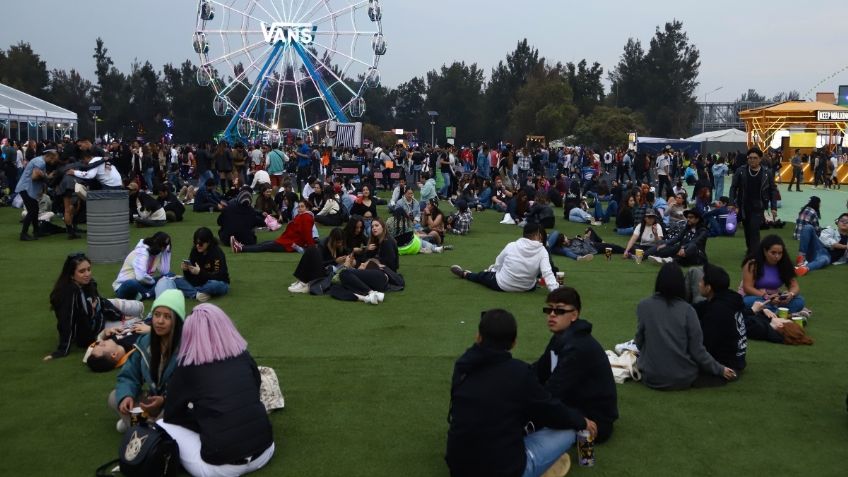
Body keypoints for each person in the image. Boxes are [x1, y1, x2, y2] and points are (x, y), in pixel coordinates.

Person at [446, 309, 592, 477]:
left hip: (459, 468)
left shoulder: (463, 366)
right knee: (569, 430)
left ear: (478, 336)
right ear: (514, 343)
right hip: (506, 469)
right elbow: (551, 410)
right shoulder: (519, 372)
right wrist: (581, 421)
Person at [158, 304, 274, 477]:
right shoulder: (243, 355)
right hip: (265, 451)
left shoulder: (188, 367)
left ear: (189, 333)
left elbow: (172, 415)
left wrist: (203, 419)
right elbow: (254, 390)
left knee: (161, 424)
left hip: (221, 468)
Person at [531, 287, 618, 443]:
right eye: (548, 309)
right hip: (574, 406)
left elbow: (553, 391)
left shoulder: (578, 348)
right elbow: (539, 371)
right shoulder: (561, 338)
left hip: (594, 421)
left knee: (528, 417)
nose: (551, 314)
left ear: (574, 315)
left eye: (559, 311)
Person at [635, 262, 737, 390]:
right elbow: (697, 350)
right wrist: (720, 369)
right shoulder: (688, 310)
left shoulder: (644, 306)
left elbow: (639, 341)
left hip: (651, 376)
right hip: (684, 377)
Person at [110, 289, 185, 432]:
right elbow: (129, 375)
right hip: (152, 400)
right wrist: (127, 395)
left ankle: (139, 426)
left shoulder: (187, 347)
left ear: (177, 321)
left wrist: (164, 400)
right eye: (157, 315)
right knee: (115, 397)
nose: (160, 321)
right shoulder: (145, 341)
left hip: (172, 403)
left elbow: (188, 388)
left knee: (170, 415)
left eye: (167, 317)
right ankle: (146, 427)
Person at [45, 253, 135, 361]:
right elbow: (66, 321)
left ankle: (127, 316)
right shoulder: (69, 293)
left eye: (89, 269)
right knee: (134, 322)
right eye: (82, 271)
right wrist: (62, 350)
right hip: (96, 328)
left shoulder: (89, 283)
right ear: (71, 275)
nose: (87, 274)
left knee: (137, 307)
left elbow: (101, 302)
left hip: (99, 313)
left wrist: (120, 316)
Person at [450, 222, 558, 293]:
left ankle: (465, 274)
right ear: (538, 235)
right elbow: (547, 273)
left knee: (482, 276)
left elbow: (498, 263)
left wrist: (492, 271)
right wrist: (556, 291)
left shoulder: (512, 245)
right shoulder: (542, 250)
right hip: (527, 288)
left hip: (503, 285)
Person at [692, 263, 747, 372]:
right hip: (737, 358)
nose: (699, 284)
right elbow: (695, 308)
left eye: (701, 281)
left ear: (708, 288)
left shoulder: (717, 311)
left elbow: (705, 345)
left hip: (725, 363)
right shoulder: (729, 299)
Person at [156, 227, 230, 302]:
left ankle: (189, 291)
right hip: (198, 282)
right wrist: (186, 270)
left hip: (216, 282)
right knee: (173, 278)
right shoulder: (195, 251)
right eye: (195, 242)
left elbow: (219, 276)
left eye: (200, 243)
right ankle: (197, 294)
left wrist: (200, 272)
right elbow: (190, 278)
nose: (197, 245)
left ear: (208, 242)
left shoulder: (217, 253)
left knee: (214, 285)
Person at [728, 147, 778, 254]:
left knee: (754, 229)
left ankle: (755, 253)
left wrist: (773, 207)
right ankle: (750, 249)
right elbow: (733, 187)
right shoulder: (741, 171)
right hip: (744, 206)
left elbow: (773, 190)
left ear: (760, 159)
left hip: (758, 206)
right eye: (750, 158)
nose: (752, 160)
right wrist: (731, 203)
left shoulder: (767, 172)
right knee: (747, 230)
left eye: (755, 158)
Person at [740, 235, 805, 313]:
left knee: (799, 301)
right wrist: (767, 297)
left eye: (780, 253)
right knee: (747, 302)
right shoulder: (752, 264)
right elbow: (747, 288)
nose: (777, 256)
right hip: (757, 297)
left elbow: (794, 286)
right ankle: (780, 313)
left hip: (776, 299)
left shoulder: (784, 264)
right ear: (764, 251)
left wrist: (790, 294)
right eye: (773, 253)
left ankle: (770, 312)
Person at [233, 200, 316, 253]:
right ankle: (241, 247)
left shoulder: (306, 217)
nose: (299, 209)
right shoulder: (303, 216)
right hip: (287, 241)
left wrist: (311, 247)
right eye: (299, 207)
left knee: (264, 246)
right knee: (265, 244)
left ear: (307, 208)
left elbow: (307, 233)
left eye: (302, 207)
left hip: (289, 244)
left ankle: (241, 248)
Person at [15, 148, 60, 241]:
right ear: (50, 157)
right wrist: (46, 177)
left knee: (34, 210)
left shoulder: (38, 160)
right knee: (32, 211)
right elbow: (35, 176)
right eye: (53, 160)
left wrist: (45, 175)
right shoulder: (41, 162)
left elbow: (38, 175)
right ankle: (23, 234)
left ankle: (36, 231)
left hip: (27, 189)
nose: (53, 163)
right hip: (26, 188)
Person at [112, 232, 172, 300]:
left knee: (169, 275)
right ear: (158, 244)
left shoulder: (157, 253)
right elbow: (140, 277)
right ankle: (154, 292)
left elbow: (165, 271)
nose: (164, 248)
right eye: (164, 245)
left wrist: (167, 253)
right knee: (131, 283)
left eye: (166, 245)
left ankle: (146, 295)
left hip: (144, 284)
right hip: (124, 286)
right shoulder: (141, 252)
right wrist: (153, 282)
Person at [288, 227, 350, 293]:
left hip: (330, 273)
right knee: (311, 250)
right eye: (337, 242)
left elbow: (348, 254)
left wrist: (347, 258)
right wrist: (335, 261)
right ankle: (303, 282)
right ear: (332, 240)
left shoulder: (342, 247)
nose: (339, 244)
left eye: (341, 242)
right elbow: (319, 263)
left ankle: (303, 282)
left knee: (311, 250)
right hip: (321, 270)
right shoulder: (323, 245)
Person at [85, 321, 151, 372]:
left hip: (138, 320)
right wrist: (151, 330)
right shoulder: (136, 347)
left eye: (98, 344)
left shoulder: (112, 341)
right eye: (103, 345)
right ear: (113, 354)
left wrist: (105, 332)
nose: (101, 342)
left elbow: (89, 353)